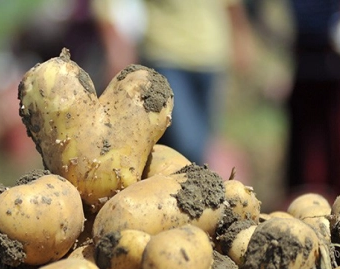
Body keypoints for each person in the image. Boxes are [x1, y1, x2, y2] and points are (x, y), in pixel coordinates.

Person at [92, 0, 255, 166]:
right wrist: (115, 44)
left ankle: (186, 187)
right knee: (187, 144)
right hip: (165, 58)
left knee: (204, 141)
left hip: (212, 58)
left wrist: (241, 38)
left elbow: (231, 5)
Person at [247, 0, 340, 199]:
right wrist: (280, 45)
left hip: (337, 72)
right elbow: (253, 8)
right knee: (307, 168)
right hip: (305, 70)